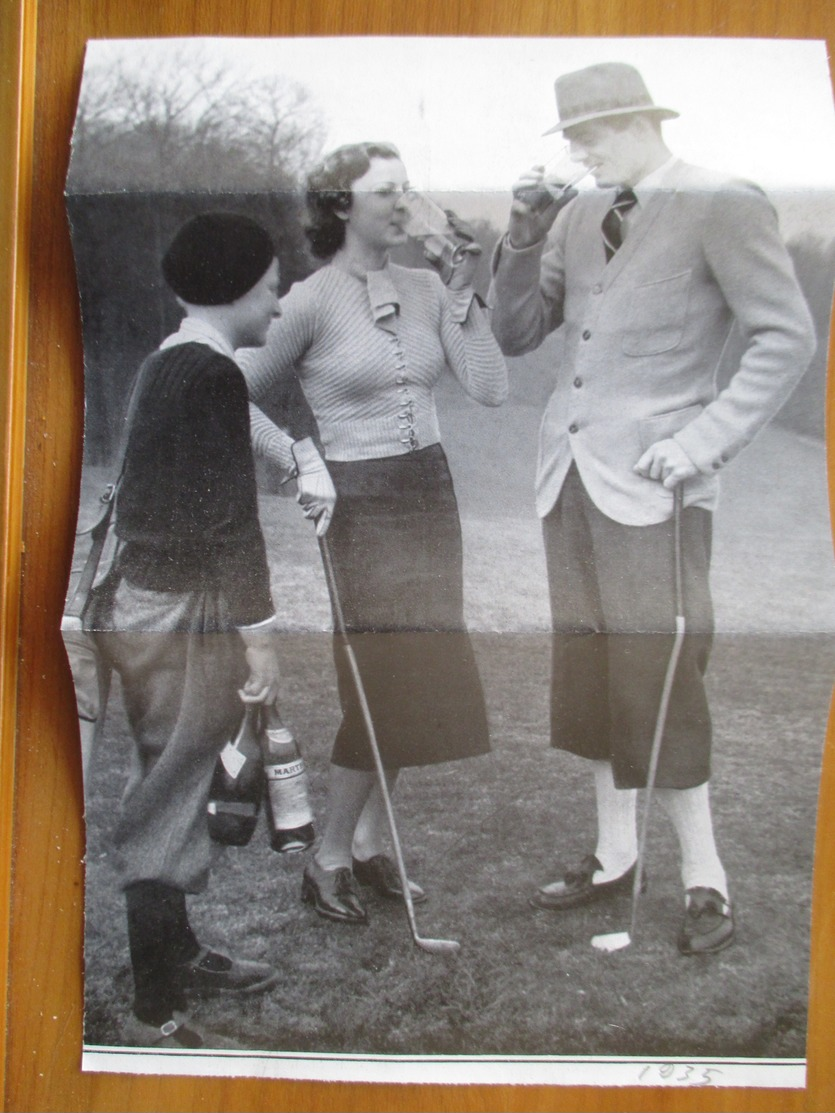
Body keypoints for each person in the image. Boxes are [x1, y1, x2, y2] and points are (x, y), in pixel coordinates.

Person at [489, 62, 815, 954]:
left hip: (659, 488)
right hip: (570, 476)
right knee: (591, 677)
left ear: (636, 122)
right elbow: (515, 333)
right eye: (569, 137)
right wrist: (521, 234)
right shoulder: (580, 213)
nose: (576, 151)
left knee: (660, 679)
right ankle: (612, 856)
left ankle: (705, 881)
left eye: (588, 134)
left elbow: (786, 338)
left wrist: (701, 440)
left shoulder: (722, 201)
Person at [240, 141, 508, 925]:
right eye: (384, 191)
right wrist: (298, 461)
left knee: (418, 681)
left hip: (429, 492)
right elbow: (229, 390)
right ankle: (326, 856)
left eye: (406, 188)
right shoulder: (310, 300)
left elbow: (490, 389)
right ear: (338, 206)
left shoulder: (426, 286)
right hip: (357, 501)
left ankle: (358, 848)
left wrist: (465, 292)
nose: (403, 202)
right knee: (379, 682)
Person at [86, 212, 285, 1047]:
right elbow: (231, 519)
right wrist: (260, 631)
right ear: (238, 289)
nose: (277, 305)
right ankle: (155, 1005)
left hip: (142, 602)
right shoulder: (212, 375)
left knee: (172, 777)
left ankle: (182, 950)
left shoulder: (167, 362)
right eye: (272, 288)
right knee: (168, 790)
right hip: (180, 612)